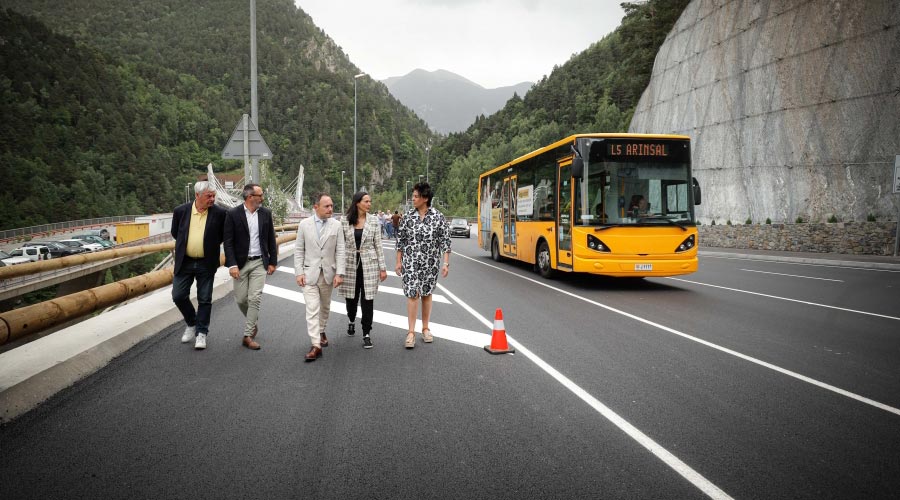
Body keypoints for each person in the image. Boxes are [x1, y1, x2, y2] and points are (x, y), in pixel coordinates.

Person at [395, 182, 451, 349]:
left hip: (430, 263)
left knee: (426, 294)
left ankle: (425, 328)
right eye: (413, 196)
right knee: (413, 294)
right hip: (411, 262)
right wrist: (398, 261)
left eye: (416, 196)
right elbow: (401, 241)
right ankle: (411, 332)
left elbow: (445, 241)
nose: (412, 199)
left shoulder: (438, 217)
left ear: (425, 198)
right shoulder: (407, 217)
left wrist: (445, 263)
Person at [171, 181, 226, 350]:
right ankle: (192, 322)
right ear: (197, 195)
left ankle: (201, 332)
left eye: (214, 196)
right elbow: (175, 233)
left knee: (205, 298)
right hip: (185, 261)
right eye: (209, 196)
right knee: (178, 295)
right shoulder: (181, 211)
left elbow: (222, 235)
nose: (212, 199)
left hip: (206, 262)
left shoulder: (219, 213)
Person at [223, 183, 278, 350]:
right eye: (260, 195)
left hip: (259, 262)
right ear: (250, 197)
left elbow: (271, 238)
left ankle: (247, 335)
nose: (263, 198)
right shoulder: (233, 214)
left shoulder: (266, 213)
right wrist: (232, 264)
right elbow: (228, 242)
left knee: (255, 298)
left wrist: (273, 262)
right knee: (241, 299)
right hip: (240, 263)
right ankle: (252, 320)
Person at [294, 193, 345, 362]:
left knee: (324, 307)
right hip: (309, 273)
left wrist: (339, 273)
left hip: (328, 274)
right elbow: (299, 250)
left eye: (331, 205)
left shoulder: (337, 225)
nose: (331, 209)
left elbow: (340, 250)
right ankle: (316, 345)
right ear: (316, 207)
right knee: (312, 308)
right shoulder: (304, 225)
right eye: (327, 206)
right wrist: (299, 272)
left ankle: (321, 329)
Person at [338, 191, 387, 349]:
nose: (369, 204)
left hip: (369, 264)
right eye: (366, 201)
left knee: (368, 300)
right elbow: (340, 246)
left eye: (370, 201)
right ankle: (351, 319)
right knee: (351, 300)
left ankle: (366, 333)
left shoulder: (373, 221)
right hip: (350, 264)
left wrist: (383, 268)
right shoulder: (345, 221)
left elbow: (378, 245)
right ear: (357, 202)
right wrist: (338, 269)